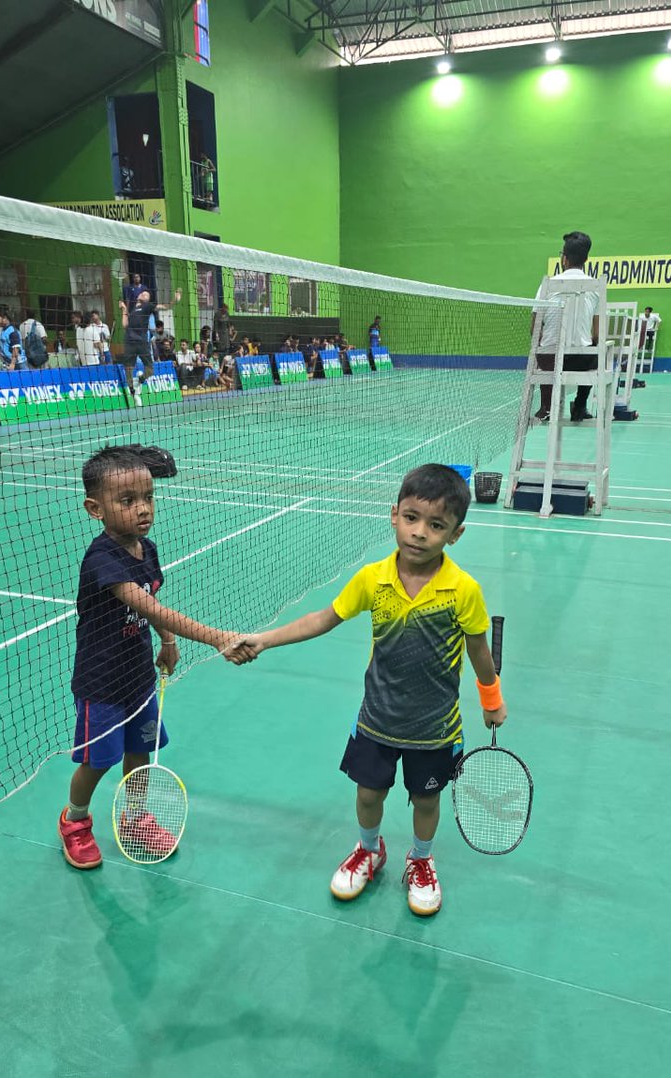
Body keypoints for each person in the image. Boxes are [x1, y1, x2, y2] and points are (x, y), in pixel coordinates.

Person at [237, 464, 507, 917]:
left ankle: (421, 860)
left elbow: (479, 651)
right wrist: (264, 639)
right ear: (394, 514)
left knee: (426, 799)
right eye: (411, 518)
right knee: (367, 794)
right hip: (378, 718)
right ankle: (369, 849)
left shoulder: (464, 591)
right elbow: (324, 618)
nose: (420, 533)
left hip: (434, 725)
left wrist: (492, 699)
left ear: (455, 535)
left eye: (436, 525)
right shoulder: (373, 578)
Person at [60, 445, 252, 869]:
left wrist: (166, 642)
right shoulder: (101, 561)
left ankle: (134, 816)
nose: (142, 509)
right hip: (102, 681)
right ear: (95, 508)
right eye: (127, 501)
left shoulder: (146, 549)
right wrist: (216, 637)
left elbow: (151, 596)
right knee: (99, 760)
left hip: (138, 676)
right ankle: (75, 820)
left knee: (140, 751)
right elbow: (146, 606)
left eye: (147, 498)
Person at [533, 230, 599, 423]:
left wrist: (542, 348)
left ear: (564, 258)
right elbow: (598, 335)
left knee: (545, 347)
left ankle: (546, 406)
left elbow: (534, 328)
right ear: (586, 258)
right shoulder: (596, 287)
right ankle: (579, 406)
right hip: (580, 361)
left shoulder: (548, 284)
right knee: (594, 350)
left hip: (550, 360)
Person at [117, 287, 181, 394]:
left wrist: (175, 300)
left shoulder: (147, 307)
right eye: (142, 293)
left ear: (148, 300)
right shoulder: (132, 311)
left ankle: (142, 379)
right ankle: (131, 388)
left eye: (146, 294)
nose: (143, 294)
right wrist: (124, 310)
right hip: (129, 342)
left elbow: (165, 307)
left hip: (142, 343)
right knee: (128, 368)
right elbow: (125, 325)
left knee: (150, 370)